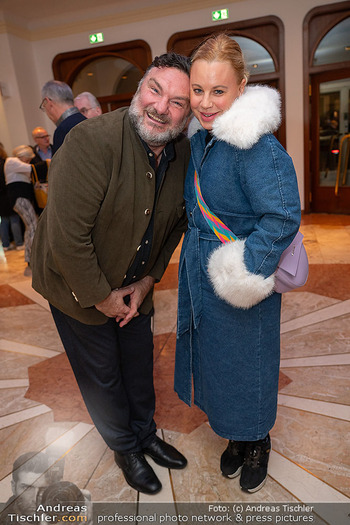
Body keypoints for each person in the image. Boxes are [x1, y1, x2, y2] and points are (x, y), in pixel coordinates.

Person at [31, 52, 192, 496]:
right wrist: (102, 297)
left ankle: (145, 435)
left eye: (177, 101)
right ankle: (125, 448)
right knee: (103, 374)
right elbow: (68, 239)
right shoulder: (89, 142)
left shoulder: (183, 155)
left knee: (138, 366)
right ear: (140, 89)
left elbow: (178, 221)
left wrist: (146, 282)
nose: (161, 107)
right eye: (155, 90)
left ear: (189, 112)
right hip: (75, 284)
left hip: (134, 280)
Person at [174, 34, 301, 493]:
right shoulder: (202, 137)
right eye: (198, 90)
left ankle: (257, 440)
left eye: (219, 91)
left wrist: (247, 269)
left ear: (242, 87)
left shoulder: (257, 146)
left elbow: (284, 213)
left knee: (250, 363)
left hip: (240, 275)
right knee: (217, 361)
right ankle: (234, 432)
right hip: (201, 272)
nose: (205, 103)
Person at [4, 145, 38, 275]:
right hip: (20, 199)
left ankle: (30, 258)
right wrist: (48, 163)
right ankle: (33, 258)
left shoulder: (16, 164)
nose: (28, 161)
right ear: (22, 155)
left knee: (30, 227)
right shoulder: (12, 161)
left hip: (21, 200)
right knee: (33, 226)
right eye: (28, 158)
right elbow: (31, 169)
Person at [39, 81, 86, 155]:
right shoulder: (86, 120)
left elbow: (61, 166)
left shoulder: (63, 130)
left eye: (44, 106)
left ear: (48, 102)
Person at [0, 143, 24, 251]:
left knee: (4, 221)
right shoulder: (5, 163)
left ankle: (5, 244)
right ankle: (19, 243)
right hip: (7, 194)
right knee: (14, 219)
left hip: (0, 197)